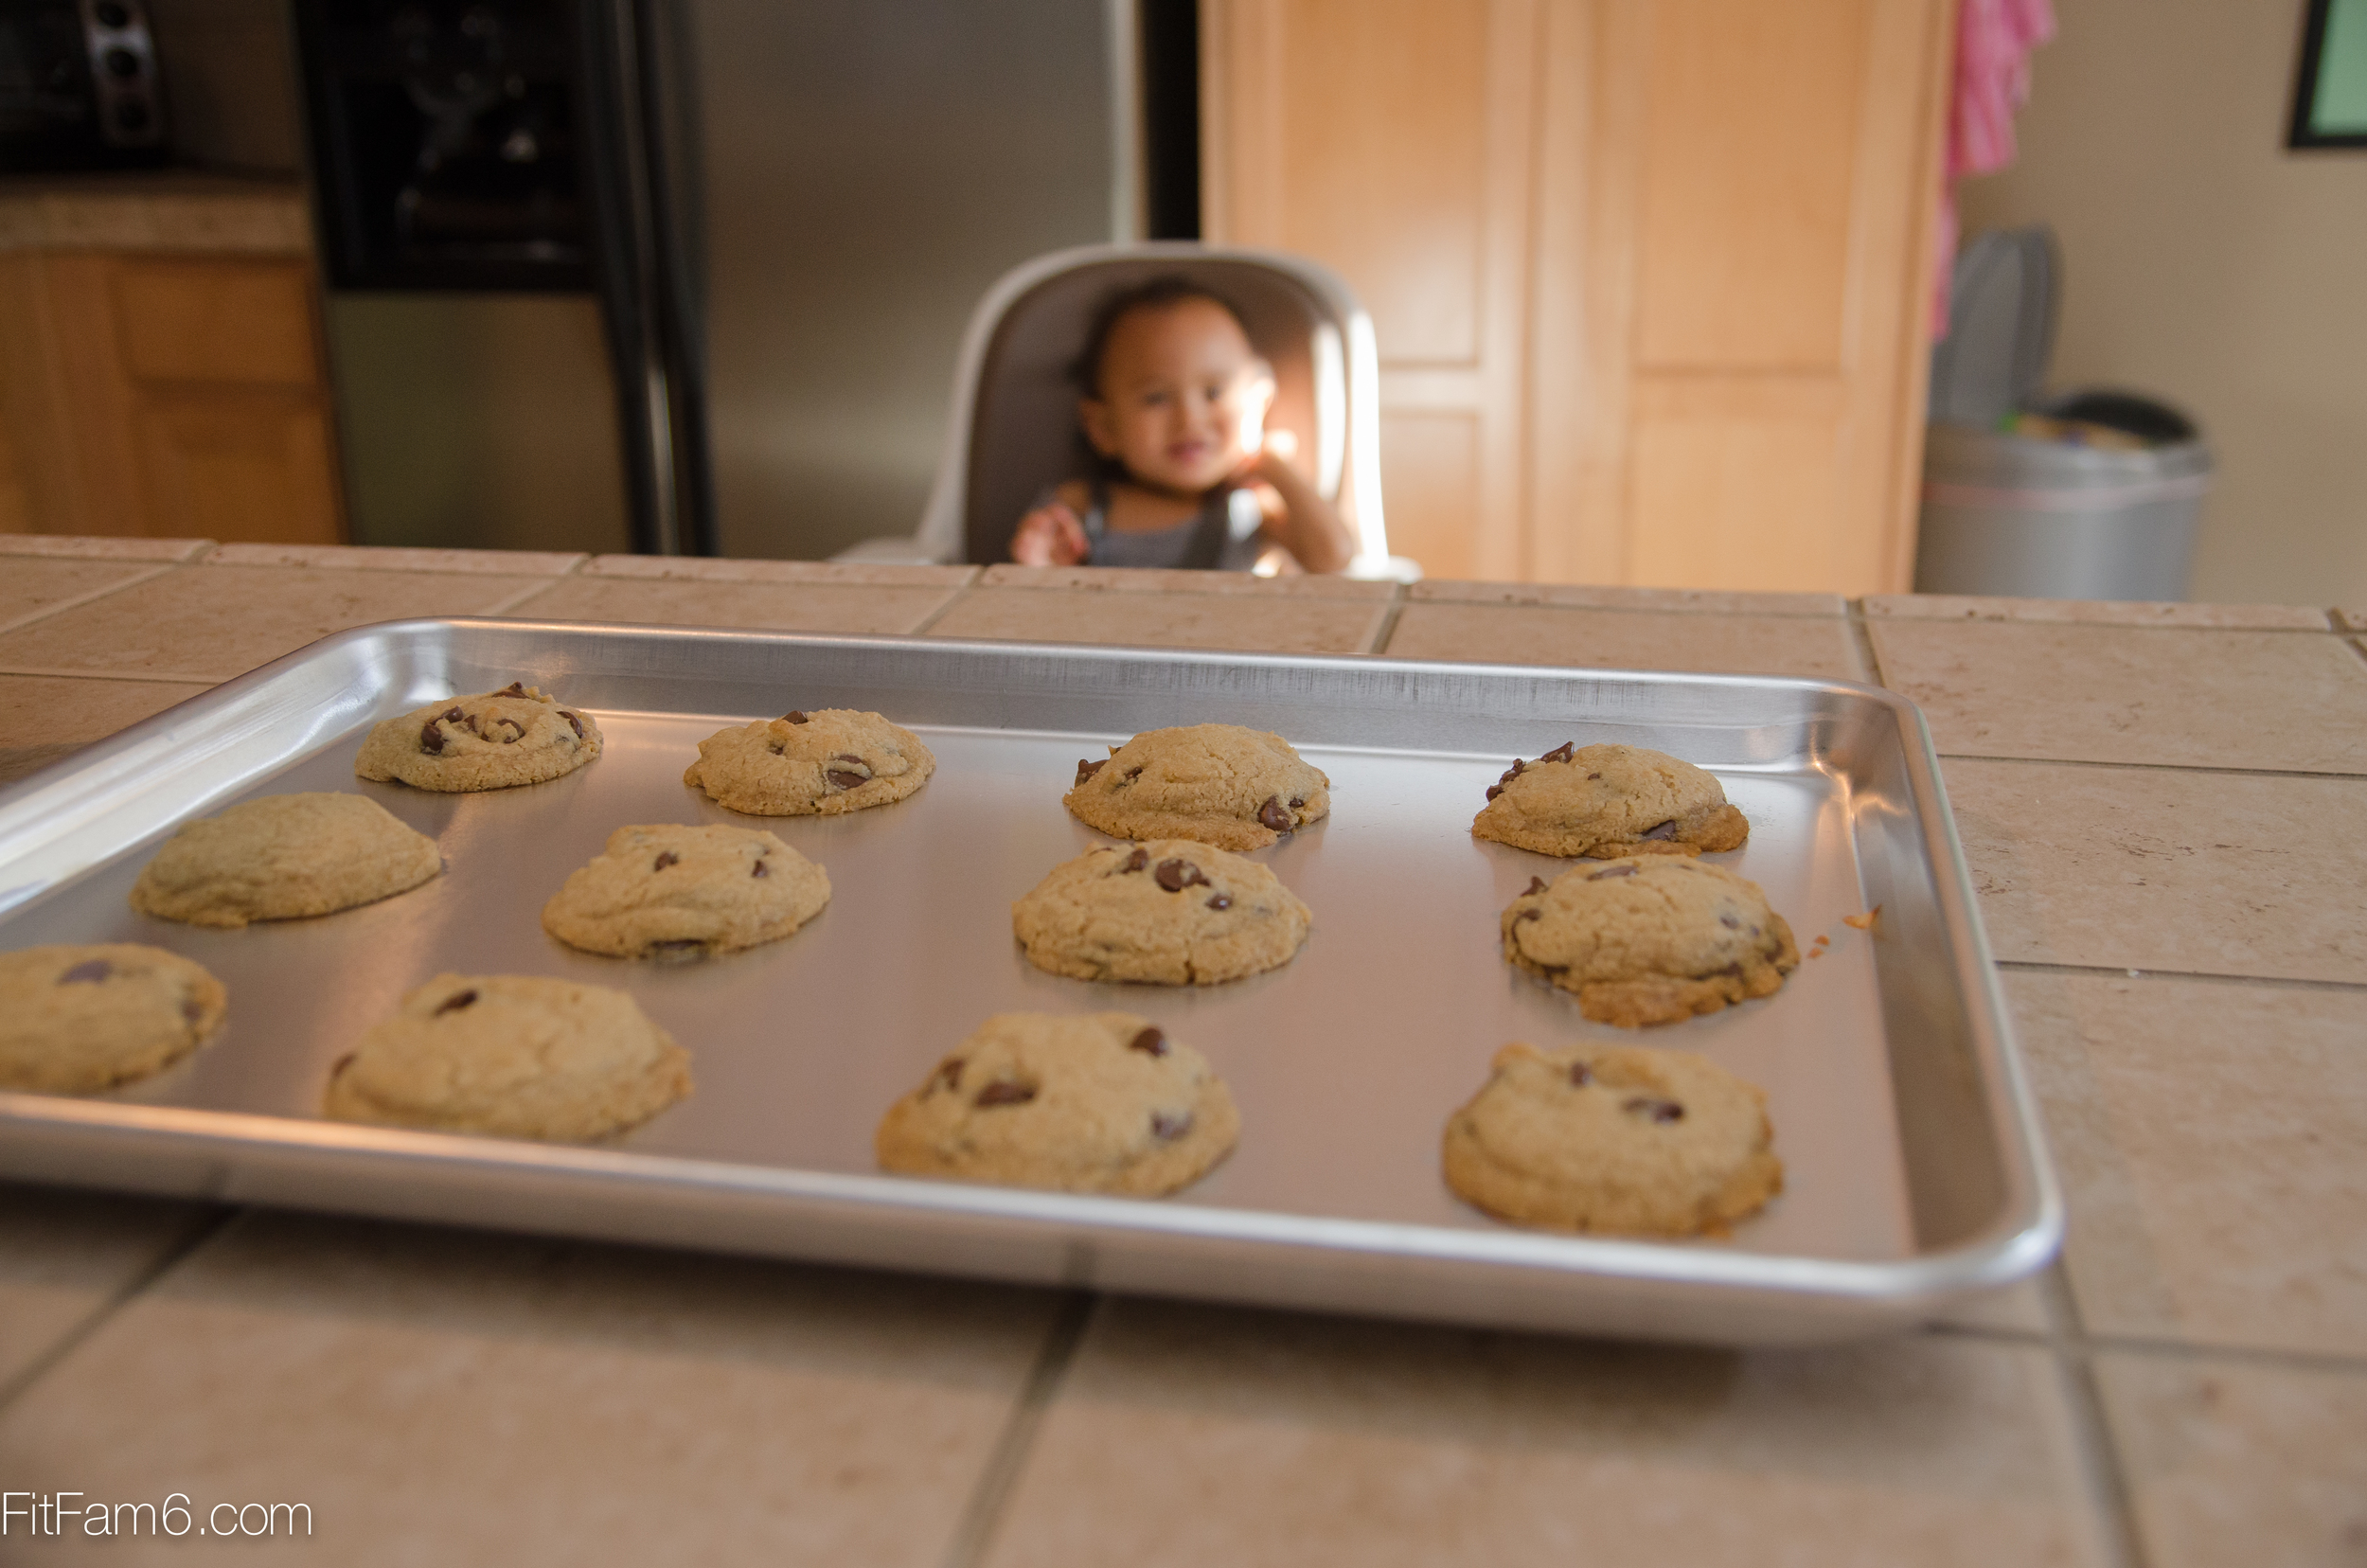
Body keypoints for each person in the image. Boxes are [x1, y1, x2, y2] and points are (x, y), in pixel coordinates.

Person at [1008, 277, 1356, 573]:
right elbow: (1030, 604)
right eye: (1156, 398)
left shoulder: (1252, 508)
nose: (1189, 420)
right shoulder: (1080, 506)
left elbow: (1333, 558)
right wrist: (1043, 570)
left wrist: (1270, 463)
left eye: (1214, 392)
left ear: (1258, 406)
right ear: (1103, 427)